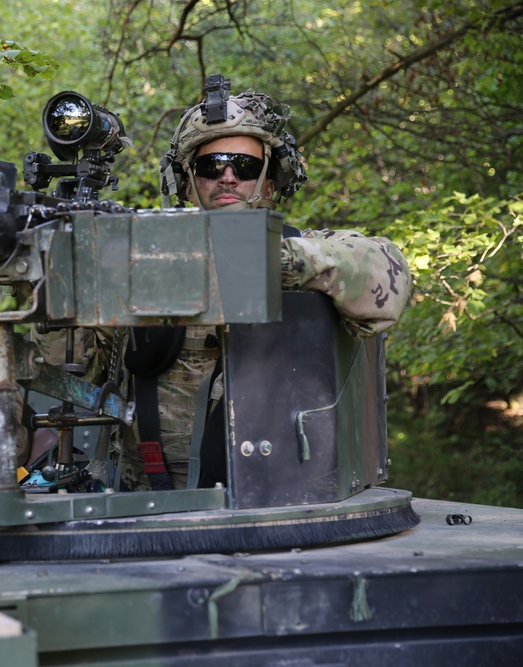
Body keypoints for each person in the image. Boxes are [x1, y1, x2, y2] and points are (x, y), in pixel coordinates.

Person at [47, 76, 412, 491]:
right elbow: (68, 373)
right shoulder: (142, 266)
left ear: (269, 183)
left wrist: (265, 261)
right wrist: (57, 278)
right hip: (150, 504)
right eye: (209, 165)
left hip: (287, 499)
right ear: (186, 182)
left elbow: (389, 274)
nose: (226, 177)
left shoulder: (311, 252)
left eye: (244, 166)